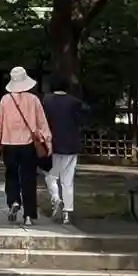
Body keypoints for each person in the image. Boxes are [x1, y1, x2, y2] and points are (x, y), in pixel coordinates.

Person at [0, 65, 52, 226]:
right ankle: (29, 215)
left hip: (9, 144)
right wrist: (48, 142)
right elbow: (42, 123)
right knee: (29, 178)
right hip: (28, 145)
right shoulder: (34, 100)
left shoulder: (5, 100)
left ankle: (14, 201)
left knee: (11, 175)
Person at [41, 76, 89, 226]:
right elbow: (84, 118)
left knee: (51, 176)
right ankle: (67, 212)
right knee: (67, 180)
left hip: (52, 144)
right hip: (71, 145)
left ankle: (56, 199)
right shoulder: (75, 102)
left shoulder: (46, 101)